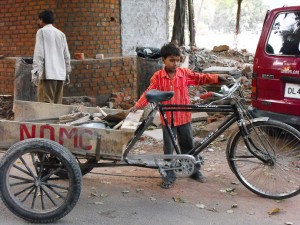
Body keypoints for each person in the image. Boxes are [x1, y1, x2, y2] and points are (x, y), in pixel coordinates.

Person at [130, 42, 230, 189]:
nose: (175, 63)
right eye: (172, 60)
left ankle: (194, 171)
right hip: (168, 120)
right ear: (163, 60)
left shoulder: (184, 74)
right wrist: (138, 106)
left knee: (188, 146)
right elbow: (148, 93)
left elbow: (200, 78)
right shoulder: (158, 77)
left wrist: (216, 78)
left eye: (177, 60)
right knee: (168, 149)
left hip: (184, 116)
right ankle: (169, 175)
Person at [31, 10, 71, 104]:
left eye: (39, 20)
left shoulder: (41, 32)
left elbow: (39, 54)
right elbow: (67, 55)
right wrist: (67, 73)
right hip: (60, 75)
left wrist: (35, 72)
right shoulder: (61, 34)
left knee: (45, 106)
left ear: (42, 20)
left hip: (48, 75)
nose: (38, 22)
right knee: (57, 106)